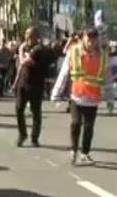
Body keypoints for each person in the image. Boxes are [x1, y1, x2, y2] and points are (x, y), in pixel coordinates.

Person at [52, 28, 110, 166]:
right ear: (83, 38)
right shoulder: (74, 51)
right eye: (88, 39)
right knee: (76, 123)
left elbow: (107, 78)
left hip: (93, 99)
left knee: (89, 128)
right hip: (77, 96)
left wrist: (110, 98)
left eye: (94, 39)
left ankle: (85, 153)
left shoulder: (102, 55)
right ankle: (73, 150)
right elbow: (64, 74)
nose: (91, 42)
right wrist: (56, 93)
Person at [14, 27, 49, 147]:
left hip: (36, 85)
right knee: (19, 109)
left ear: (36, 37)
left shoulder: (39, 49)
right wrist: (16, 81)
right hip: (23, 83)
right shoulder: (26, 48)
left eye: (30, 35)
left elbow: (25, 62)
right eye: (26, 35)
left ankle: (34, 138)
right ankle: (22, 134)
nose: (27, 38)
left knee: (36, 112)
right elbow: (20, 66)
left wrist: (20, 51)